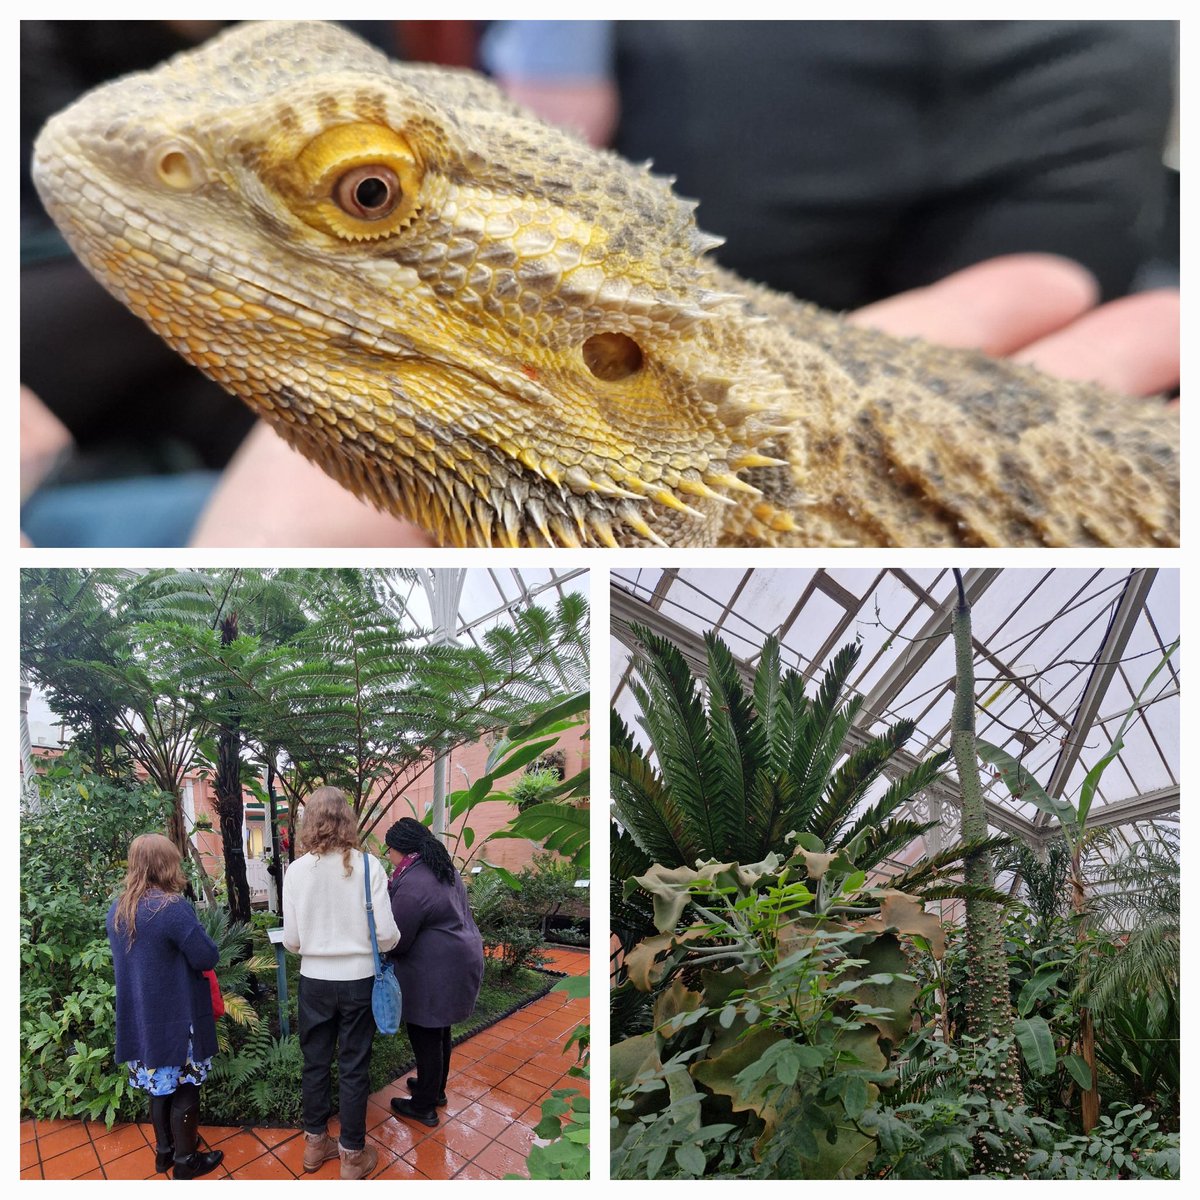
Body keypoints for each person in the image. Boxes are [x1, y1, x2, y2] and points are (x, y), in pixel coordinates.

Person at [282, 787, 400, 1180]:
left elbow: (293, 941)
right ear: (347, 819)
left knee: (314, 1063)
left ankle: (315, 1145)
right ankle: (352, 1155)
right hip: (358, 980)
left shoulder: (297, 871)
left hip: (314, 981)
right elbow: (385, 934)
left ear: (309, 822)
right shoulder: (370, 866)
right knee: (353, 1066)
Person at [106, 833, 224, 1180]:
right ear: (165, 864)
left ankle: (164, 1154)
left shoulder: (119, 908)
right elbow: (207, 955)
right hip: (177, 1019)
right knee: (186, 1087)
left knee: (159, 1087)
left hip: (142, 1019)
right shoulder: (170, 908)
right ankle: (187, 1162)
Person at [382, 818, 485, 1128]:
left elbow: (398, 938)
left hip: (435, 970)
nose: (388, 856)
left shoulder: (413, 884)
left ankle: (424, 1105)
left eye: (389, 850)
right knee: (440, 1030)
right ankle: (434, 1088)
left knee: (425, 1033)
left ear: (402, 850)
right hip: (458, 959)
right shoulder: (442, 868)